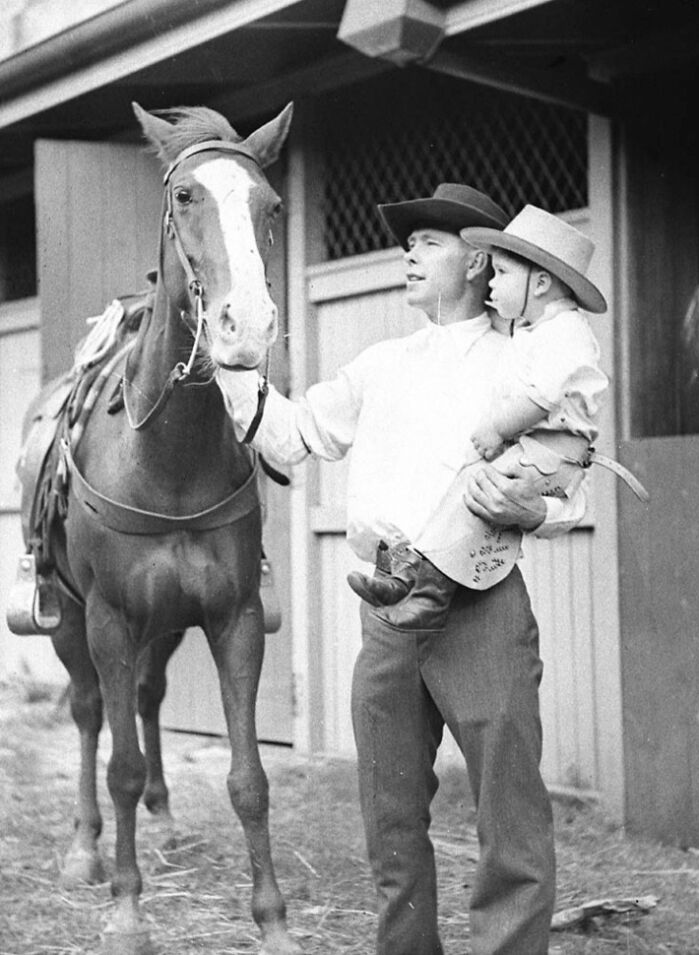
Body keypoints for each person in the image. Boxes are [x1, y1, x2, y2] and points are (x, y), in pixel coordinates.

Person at [216, 182, 586, 955]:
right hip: (385, 610)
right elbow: (287, 437)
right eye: (407, 242)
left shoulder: (525, 365)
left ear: (478, 259)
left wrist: (532, 510)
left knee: (509, 817)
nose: (407, 254)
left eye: (427, 241)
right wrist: (229, 354)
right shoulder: (380, 364)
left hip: (484, 606)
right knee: (389, 823)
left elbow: (570, 485)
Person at [346, 204, 616, 631]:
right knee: (462, 489)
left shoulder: (564, 332)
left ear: (541, 283)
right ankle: (407, 577)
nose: (494, 281)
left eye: (504, 274)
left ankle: (428, 597)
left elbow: (541, 397)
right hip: (540, 448)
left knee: (472, 489)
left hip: (554, 451)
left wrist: (496, 429)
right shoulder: (533, 332)